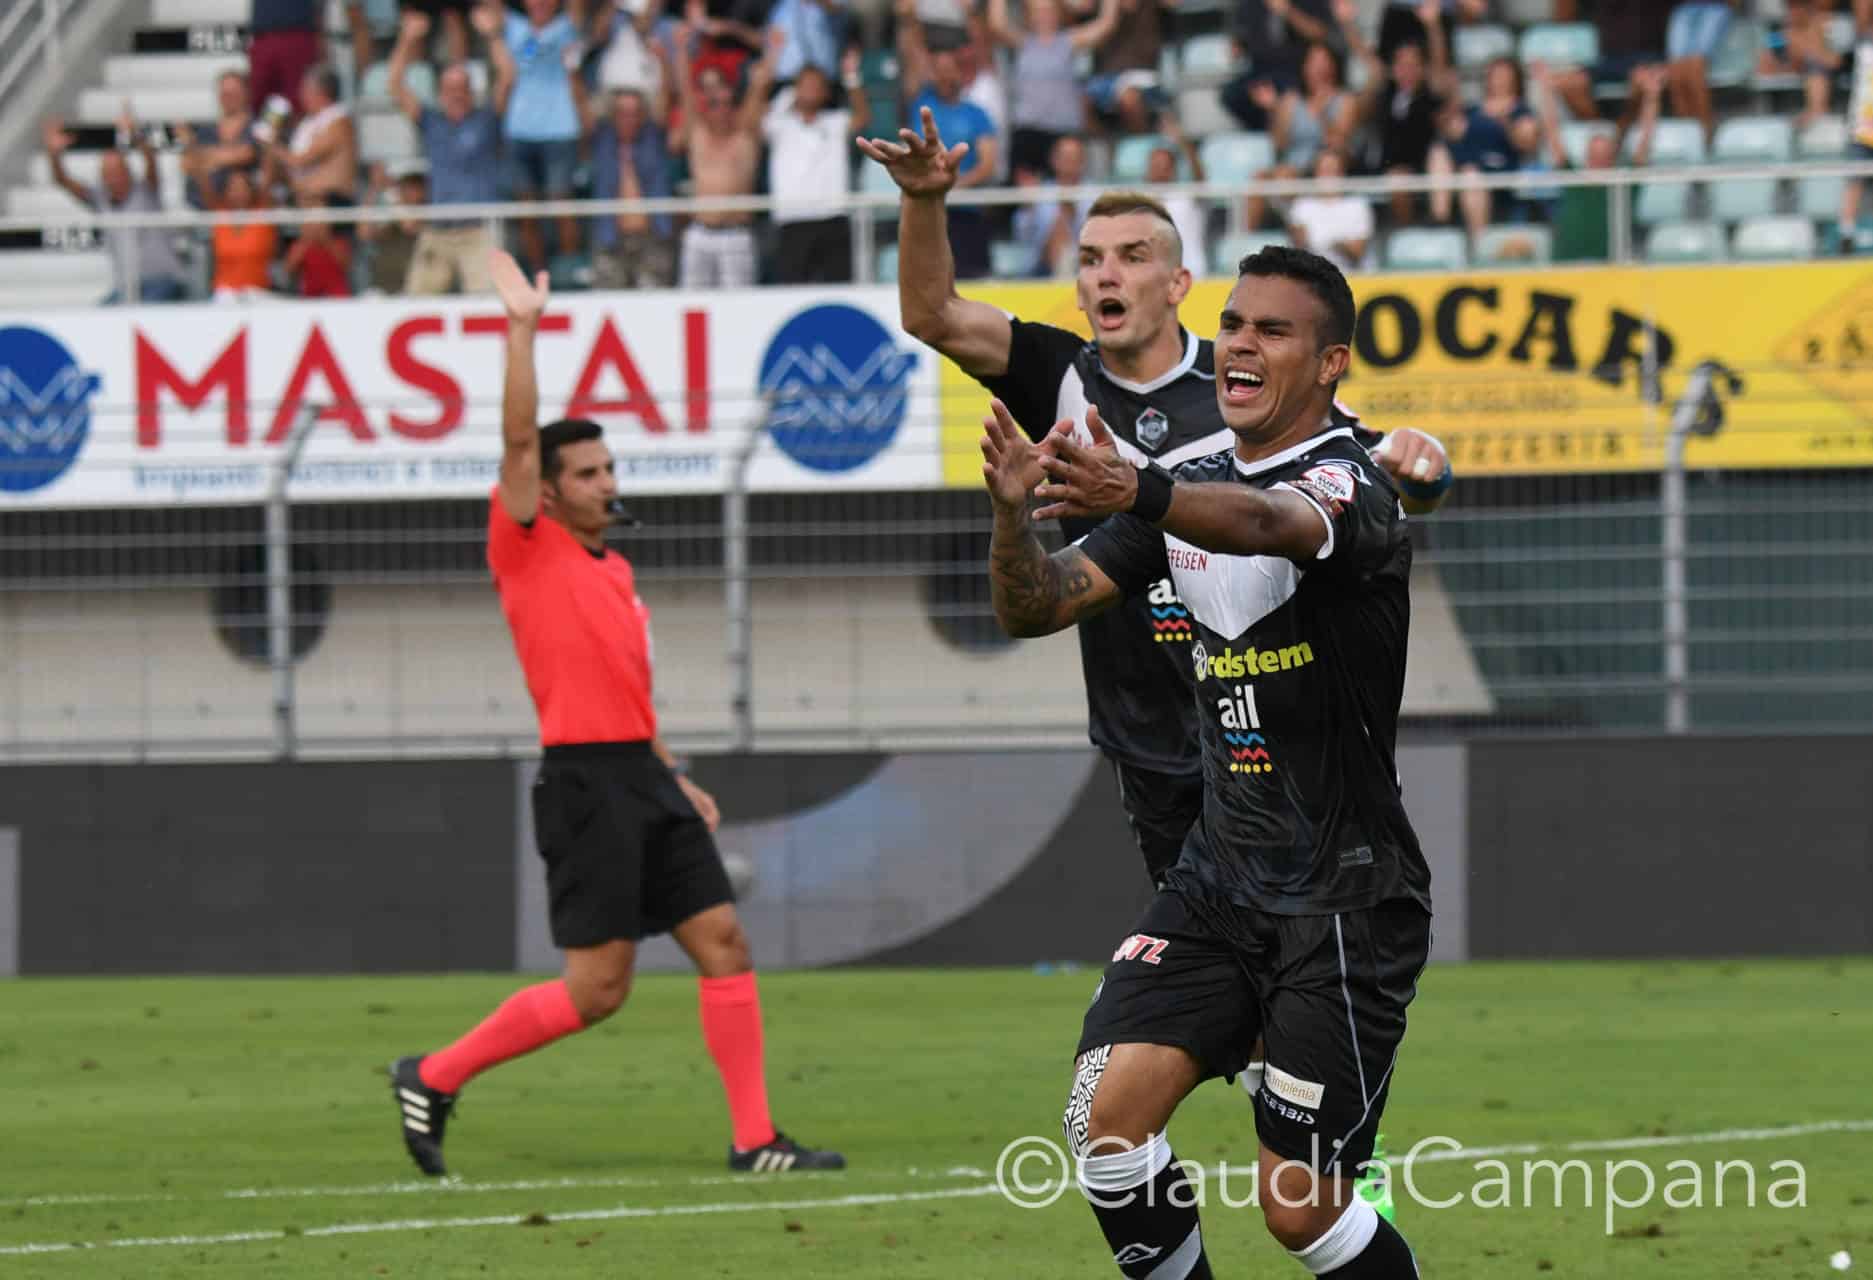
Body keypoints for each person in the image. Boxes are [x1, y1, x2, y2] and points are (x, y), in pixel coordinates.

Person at [859, 125, 1451, 1185]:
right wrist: (924, 201)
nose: (1106, 276)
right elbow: (933, 315)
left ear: (1178, 283)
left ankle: (1332, 1174)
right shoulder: (1058, 372)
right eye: (1090, 258)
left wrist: (1426, 460)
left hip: (1291, 762)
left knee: (1292, 1063)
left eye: (1131, 256)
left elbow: (1364, 476)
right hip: (1161, 753)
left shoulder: (1246, 400)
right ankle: (1290, 1153)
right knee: (1176, 1051)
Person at [979, 244, 1432, 1278]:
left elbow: (1271, 523)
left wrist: (1138, 487)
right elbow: (1035, 606)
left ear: (1330, 364)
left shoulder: (1350, 485)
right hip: (1217, 879)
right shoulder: (1186, 488)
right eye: (1232, 324)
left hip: (1341, 899)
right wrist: (1009, 518)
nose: (1239, 345)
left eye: (1272, 330)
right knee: (1105, 1123)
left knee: (1299, 1210)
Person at [388, 249, 845, 1179]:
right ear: (550, 491)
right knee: (597, 990)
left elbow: (626, 693)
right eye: (588, 472)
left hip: (641, 771)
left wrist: (673, 773)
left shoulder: (615, 569)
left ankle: (755, 1140)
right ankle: (432, 1074)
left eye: (609, 467)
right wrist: (522, 331)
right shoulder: (525, 546)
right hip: (584, 783)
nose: (606, 481)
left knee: (724, 942)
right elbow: (519, 443)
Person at [389, 6, 513, 294]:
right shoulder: (432, 122)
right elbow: (394, 85)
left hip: (478, 230)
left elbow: (507, 77)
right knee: (416, 300)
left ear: (471, 92)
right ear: (441, 94)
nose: (456, 95)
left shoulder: (486, 120)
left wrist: (493, 36)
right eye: (450, 89)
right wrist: (407, 39)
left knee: (484, 304)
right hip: (439, 230)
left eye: (462, 88)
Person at [41, 111, 189, 304]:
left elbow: (151, 162)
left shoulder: (146, 191)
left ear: (128, 171)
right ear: (101, 176)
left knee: (142, 310)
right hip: (126, 286)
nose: (113, 178)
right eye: (108, 173)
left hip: (163, 280)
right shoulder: (100, 198)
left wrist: (135, 136)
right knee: (97, 316)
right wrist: (54, 155)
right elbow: (62, 180)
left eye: (117, 171)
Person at [671, 25, 770, 288]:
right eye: (715, 104)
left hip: (736, 234)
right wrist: (681, 50)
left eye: (728, 103)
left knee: (738, 305)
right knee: (693, 302)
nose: (722, 110)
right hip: (699, 233)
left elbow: (760, 86)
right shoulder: (698, 134)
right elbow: (684, 90)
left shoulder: (745, 138)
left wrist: (772, 52)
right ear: (706, 106)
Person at [765, 50, 872, 284]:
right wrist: (766, 76)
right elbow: (749, 125)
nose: (811, 89)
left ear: (826, 92)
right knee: (791, 294)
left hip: (833, 217)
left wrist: (851, 77)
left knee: (838, 291)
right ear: (795, 89)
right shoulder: (779, 124)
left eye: (817, 85)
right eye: (806, 84)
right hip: (792, 219)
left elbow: (862, 118)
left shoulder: (836, 121)